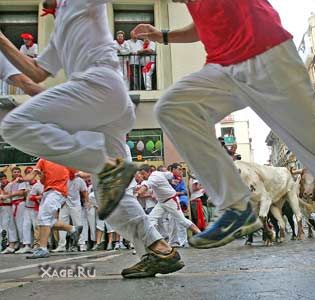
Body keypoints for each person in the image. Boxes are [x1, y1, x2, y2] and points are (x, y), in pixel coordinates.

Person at [134, 0, 315, 282]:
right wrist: (163, 36)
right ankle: (238, 206)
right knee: (173, 108)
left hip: (268, 54)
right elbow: (205, 22)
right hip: (222, 66)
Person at [0, 0, 183, 277]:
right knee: (112, 196)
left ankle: (104, 163)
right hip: (109, 102)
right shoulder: (60, 28)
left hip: (97, 86)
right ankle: (157, 250)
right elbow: (36, 71)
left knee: (14, 124)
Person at [135, 164, 201, 243]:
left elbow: (145, 186)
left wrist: (137, 193)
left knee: (182, 221)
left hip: (171, 201)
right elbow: (169, 175)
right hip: (162, 202)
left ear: (149, 171)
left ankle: (201, 235)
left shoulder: (153, 178)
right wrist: (172, 180)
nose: (142, 176)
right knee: (151, 218)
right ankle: (154, 241)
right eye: (140, 174)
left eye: (143, 173)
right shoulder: (158, 173)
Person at [53, 171, 87, 253]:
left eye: (72, 171)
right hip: (64, 204)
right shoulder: (64, 179)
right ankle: (62, 245)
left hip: (75, 205)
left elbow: (84, 191)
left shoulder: (80, 180)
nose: (70, 173)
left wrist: (87, 202)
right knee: (62, 224)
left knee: (78, 224)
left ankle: (81, 244)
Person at [0, 167, 28, 254]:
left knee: (20, 225)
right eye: (14, 172)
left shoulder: (21, 181)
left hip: (19, 204)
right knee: (13, 226)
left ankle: (24, 245)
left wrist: (7, 196)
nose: (16, 173)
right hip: (13, 205)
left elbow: (21, 192)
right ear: (12, 173)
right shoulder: (11, 183)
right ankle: (14, 244)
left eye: (18, 172)